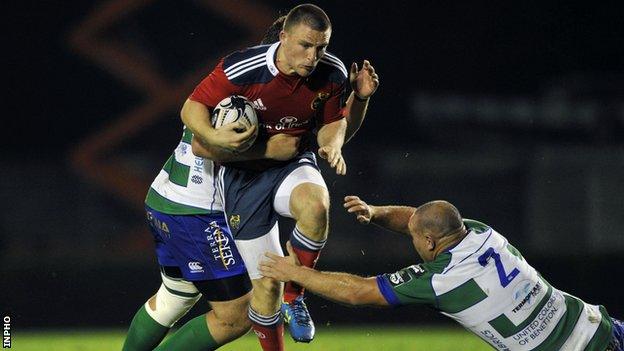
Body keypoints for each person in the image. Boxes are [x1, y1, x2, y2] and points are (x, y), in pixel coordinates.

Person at [123, 6, 379, 350]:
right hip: (194, 209)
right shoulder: (237, 90)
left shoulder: (321, 78)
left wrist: (353, 108)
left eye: (320, 48)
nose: (312, 58)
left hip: (168, 199)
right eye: (304, 46)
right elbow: (202, 145)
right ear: (282, 42)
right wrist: (269, 150)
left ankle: (294, 297)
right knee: (235, 317)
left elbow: (327, 133)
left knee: (173, 298)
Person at [260, 196, 624, 351]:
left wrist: (295, 272)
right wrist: (375, 211)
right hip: (601, 324)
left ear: (431, 243)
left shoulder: (440, 280)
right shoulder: (483, 233)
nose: (413, 241)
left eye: (419, 239)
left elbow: (358, 292)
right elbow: (422, 220)